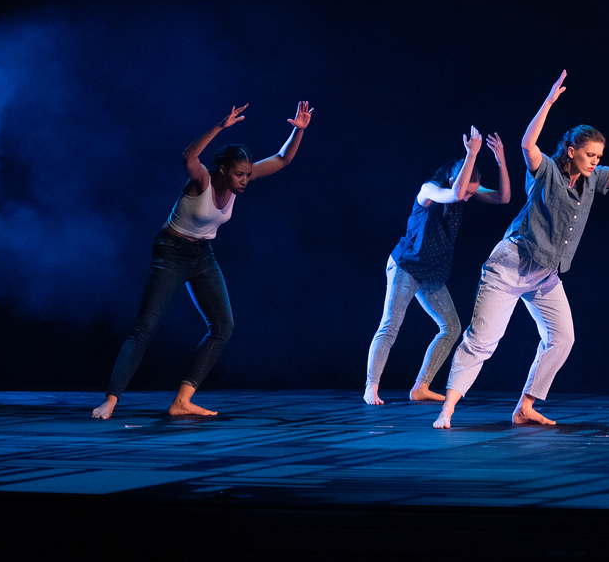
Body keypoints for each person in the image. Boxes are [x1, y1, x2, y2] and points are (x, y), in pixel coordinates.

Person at [434, 70, 609, 429]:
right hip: (509, 265)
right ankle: (448, 409)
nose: (596, 161)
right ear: (572, 152)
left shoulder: (594, 180)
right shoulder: (547, 170)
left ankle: (526, 406)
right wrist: (549, 101)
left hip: (545, 275)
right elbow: (526, 145)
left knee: (563, 337)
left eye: (599, 156)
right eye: (590, 155)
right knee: (483, 341)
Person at [91, 101, 313, 420]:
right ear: (222, 169)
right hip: (170, 252)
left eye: (248, 175)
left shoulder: (240, 180)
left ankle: (182, 400)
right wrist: (220, 126)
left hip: (202, 255)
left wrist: (297, 131)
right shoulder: (203, 180)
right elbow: (188, 157)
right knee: (145, 328)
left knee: (223, 325)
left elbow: (281, 159)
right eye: (239, 174)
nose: (245, 181)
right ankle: (111, 400)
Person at [363, 126, 511, 406]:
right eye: (467, 191)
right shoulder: (429, 191)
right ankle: (371, 386)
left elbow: (503, 197)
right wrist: (472, 154)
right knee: (390, 325)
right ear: (455, 179)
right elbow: (455, 193)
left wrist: (501, 159)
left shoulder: (463, 191)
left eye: (472, 193)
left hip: (432, 274)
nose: (468, 197)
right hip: (405, 266)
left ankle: (421, 386)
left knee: (451, 327)